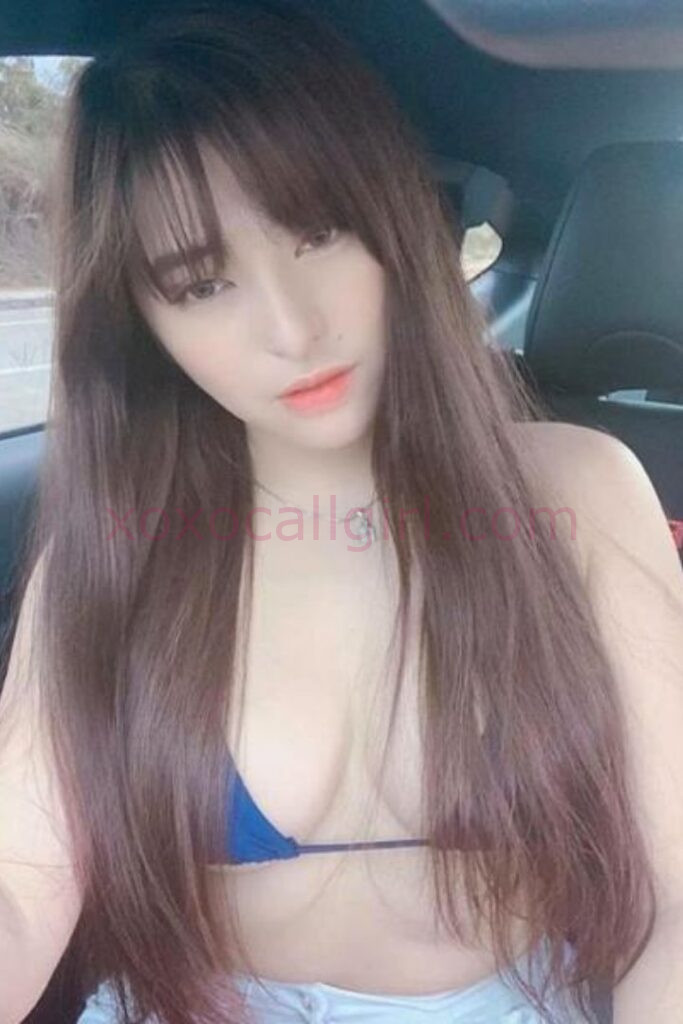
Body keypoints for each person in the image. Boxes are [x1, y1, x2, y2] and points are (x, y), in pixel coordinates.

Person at [1, 2, 682, 1023]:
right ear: (141, 323)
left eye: (317, 233)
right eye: (201, 284)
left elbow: (676, 895)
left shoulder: (574, 493)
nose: (291, 328)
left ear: (393, 219)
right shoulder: (117, 547)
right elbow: (18, 882)